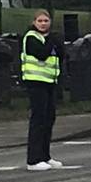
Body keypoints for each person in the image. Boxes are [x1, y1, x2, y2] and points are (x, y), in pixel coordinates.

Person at [19, 10, 63, 171]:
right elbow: (42, 54)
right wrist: (52, 42)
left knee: (48, 119)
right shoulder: (31, 37)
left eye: (46, 20)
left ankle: (45, 156)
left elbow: (61, 54)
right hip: (35, 82)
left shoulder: (50, 39)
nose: (43, 23)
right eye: (40, 21)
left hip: (50, 82)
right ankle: (33, 159)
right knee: (38, 120)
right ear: (34, 22)